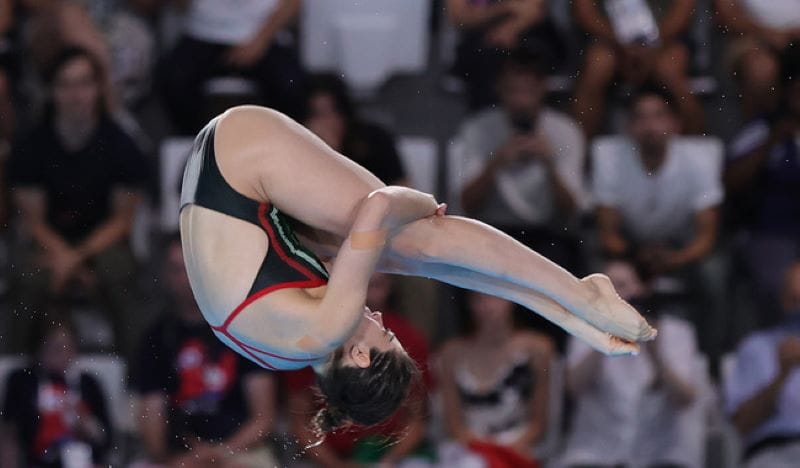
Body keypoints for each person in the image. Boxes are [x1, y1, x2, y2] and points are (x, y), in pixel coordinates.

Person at [179, 104, 656, 438]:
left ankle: (581, 297)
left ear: (361, 357)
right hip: (214, 174)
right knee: (405, 256)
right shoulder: (285, 353)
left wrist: (422, 204)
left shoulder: (328, 327)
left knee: (418, 236)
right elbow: (428, 267)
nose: (383, 321)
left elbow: (381, 203)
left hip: (238, 156)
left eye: (386, 336)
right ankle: (570, 310)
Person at [7, 46, 148, 357]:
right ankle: (14, 374)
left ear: (98, 89)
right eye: (66, 84)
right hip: (47, 243)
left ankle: (136, 377)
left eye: (84, 83)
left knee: (121, 274)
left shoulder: (121, 146)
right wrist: (64, 257)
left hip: (102, 244)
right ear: (52, 90)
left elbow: (123, 220)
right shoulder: (31, 147)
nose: (76, 94)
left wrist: (76, 258)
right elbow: (32, 221)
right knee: (25, 279)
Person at [592, 85, 724, 356]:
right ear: (628, 126)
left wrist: (674, 259)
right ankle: (596, 350)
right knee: (593, 270)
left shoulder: (700, 157)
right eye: (641, 118)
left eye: (659, 116)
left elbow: (706, 236)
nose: (650, 126)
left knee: (715, 272)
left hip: (680, 246)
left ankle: (711, 358)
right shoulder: (609, 155)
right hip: (629, 246)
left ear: (675, 123)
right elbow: (608, 232)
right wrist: (634, 256)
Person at [133, 234, 278, 467]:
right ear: (165, 276)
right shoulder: (155, 338)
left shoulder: (243, 327)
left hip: (241, 450)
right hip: (179, 456)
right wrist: (174, 460)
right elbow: (151, 417)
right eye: (177, 269)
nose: (186, 278)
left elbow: (263, 418)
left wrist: (219, 453)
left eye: (192, 267)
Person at [451, 49, 586, 271]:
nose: (522, 101)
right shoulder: (477, 129)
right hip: (492, 232)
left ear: (543, 90)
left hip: (546, 234)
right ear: (500, 90)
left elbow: (571, 212)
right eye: (514, 91)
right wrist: (496, 163)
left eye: (529, 91)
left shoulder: (565, 132)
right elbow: (467, 205)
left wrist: (550, 165)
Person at [559, 266, 706, 468]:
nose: (613, 295)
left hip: (657, 457)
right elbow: (574, 388)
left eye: (620, 285)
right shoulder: (583, 328)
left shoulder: (677, 332)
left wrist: (656, 352)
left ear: (642, 289)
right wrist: (604, 337)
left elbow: (685, 399)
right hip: (595, 456)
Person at [286, 273, 433, 466]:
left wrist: (386, 463)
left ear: (361, 355)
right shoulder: (305, 346)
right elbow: (299, 420)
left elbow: (418, 418)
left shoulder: (301, 346)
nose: (378, 315)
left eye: (386, 334)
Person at [725, 45, 800, 324]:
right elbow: (731, 183)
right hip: (773, 232)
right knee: (778, 283)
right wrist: (772, 144)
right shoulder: (763, 130)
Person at [437, 292, 553, 467]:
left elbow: (538, 423)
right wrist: (484, 449)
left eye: (495, 296)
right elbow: (453, 424)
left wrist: (507, 450)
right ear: (469, 304)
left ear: (512, 298)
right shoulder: (451, 353)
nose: (488, 305)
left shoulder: (537, 348)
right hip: (470, 448)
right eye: (479, 298)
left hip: (518, 446)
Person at [160, 0, 306, 134]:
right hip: (202, 32)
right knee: (173, 81)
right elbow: (178, 6)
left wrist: (261, 40)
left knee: (292, 88)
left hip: (266, 35)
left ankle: (278, 149)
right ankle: (200, 148)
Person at [572, 0, 704, 136]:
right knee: (597, 67)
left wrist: (651, 45)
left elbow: (683, 11)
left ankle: (696, 146)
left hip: (666, 39)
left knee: (669, 70)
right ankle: (580, 147)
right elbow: (585, 13)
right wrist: (622, 43)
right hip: (609, 41)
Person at [0, 320, 113, 468]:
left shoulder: (88, 383)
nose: (61, 354)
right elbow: (9, 432)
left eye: (67, 347)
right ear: (39, 347)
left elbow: (108, 437)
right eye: (54, 347)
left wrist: (88, 424)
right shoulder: (22, 380)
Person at [724, 262, 800, 468]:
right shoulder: (756, 346)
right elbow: (742, 426)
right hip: (774, 455)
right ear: (784, 301)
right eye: (796, 300)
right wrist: (782, 375)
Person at [445, 0, 565, 109]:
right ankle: (486, 123)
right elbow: (458, 17)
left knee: (532, 57)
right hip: (481, 35)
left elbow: (536, 8)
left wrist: (511, 29)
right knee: (487, 58)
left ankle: (530, 126)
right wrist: (504, 7)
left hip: (529, 30)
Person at [302, 74, 408, 186]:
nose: (328, 121)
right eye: (318, 114)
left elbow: (404, 191)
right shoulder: (301, 151)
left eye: (334, 111)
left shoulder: (375, 139)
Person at [715, 0, 800, 118]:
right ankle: (761, 130)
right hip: (751, 39)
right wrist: (771, 34)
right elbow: (728, 16)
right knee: (761, 70)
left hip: (795, 37)